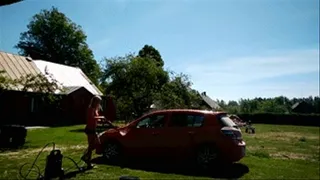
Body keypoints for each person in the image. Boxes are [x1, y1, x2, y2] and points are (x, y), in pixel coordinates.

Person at [81, 95, 110, 168]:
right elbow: (91, 117)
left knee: (96, 144)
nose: (99, 103)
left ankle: (86, 158)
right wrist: (100, 117)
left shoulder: (95, 109)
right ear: (94, 101)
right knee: (92, 146)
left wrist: (102, 121)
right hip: (90, 129)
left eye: (99, 102)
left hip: (94, 129)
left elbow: (96, 119)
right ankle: (88, 162)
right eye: (98, 101)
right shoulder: (90, 109)